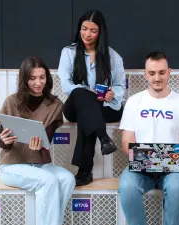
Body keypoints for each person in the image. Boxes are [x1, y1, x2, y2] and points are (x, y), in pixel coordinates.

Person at [118, 52, 179, 225]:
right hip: (141, 165)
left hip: (174, 166)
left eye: (162, 72)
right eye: (152, 73)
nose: (157, 77)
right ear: (145, 74)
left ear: (169, 72)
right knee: (127, 187)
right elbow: (126, 142)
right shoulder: (134, 101)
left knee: (177, 189)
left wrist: (164, 161)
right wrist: (153, 161)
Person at [0, 57, 75, 225]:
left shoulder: (55, 104)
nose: (38, 82)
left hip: (40, 164)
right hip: (12, 166)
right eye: (32, 78)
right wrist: (5, 140)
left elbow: (47, 140)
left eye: (42, 77)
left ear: (47, 77)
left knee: (68, 179)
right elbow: (1, 141)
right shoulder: (11, 101)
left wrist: (41, 144)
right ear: (24, 79)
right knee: (48, 181)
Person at [58, 10, 126, 186]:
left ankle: (84, 171)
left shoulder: (113, 57)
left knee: (87, 115)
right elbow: (66, 85)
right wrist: (88, 93)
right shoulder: (68, 52)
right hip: (75, 105)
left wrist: (113, 94)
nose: (87, 34)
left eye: (93, 30)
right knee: (82, 95)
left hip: (103, 107)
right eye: (84, 28)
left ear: (101, 32)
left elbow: (120, 86)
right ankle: (103, 137)